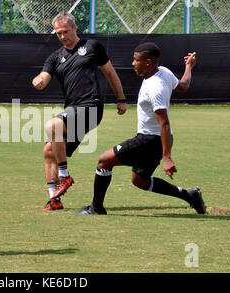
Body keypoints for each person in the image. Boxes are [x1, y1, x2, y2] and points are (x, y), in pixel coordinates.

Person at [77, 42, 207, 215]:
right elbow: (183, 85)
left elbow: (164, 123)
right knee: (140, 181)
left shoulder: (156, 87)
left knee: (104, 161)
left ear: (148, 62)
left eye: (136, 60)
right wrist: (189, 67)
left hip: (149, 139)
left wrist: (167, 157)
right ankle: (190, 195)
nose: (133, 63)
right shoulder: (164, 72)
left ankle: (96, 207)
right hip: (154, 140)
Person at [32, 13, 127, 211]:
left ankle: (64, 176)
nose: (62, 36)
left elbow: (110, 72)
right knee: (49, 150)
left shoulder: (92, 46)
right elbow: (44, 76)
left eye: (65, 31)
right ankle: (54, 200)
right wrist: (38, 81)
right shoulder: (55, 57)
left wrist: (121, 99)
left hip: (91, 106)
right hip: (72, 109)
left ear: (75, 28)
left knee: (52, 126)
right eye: (58, 33)